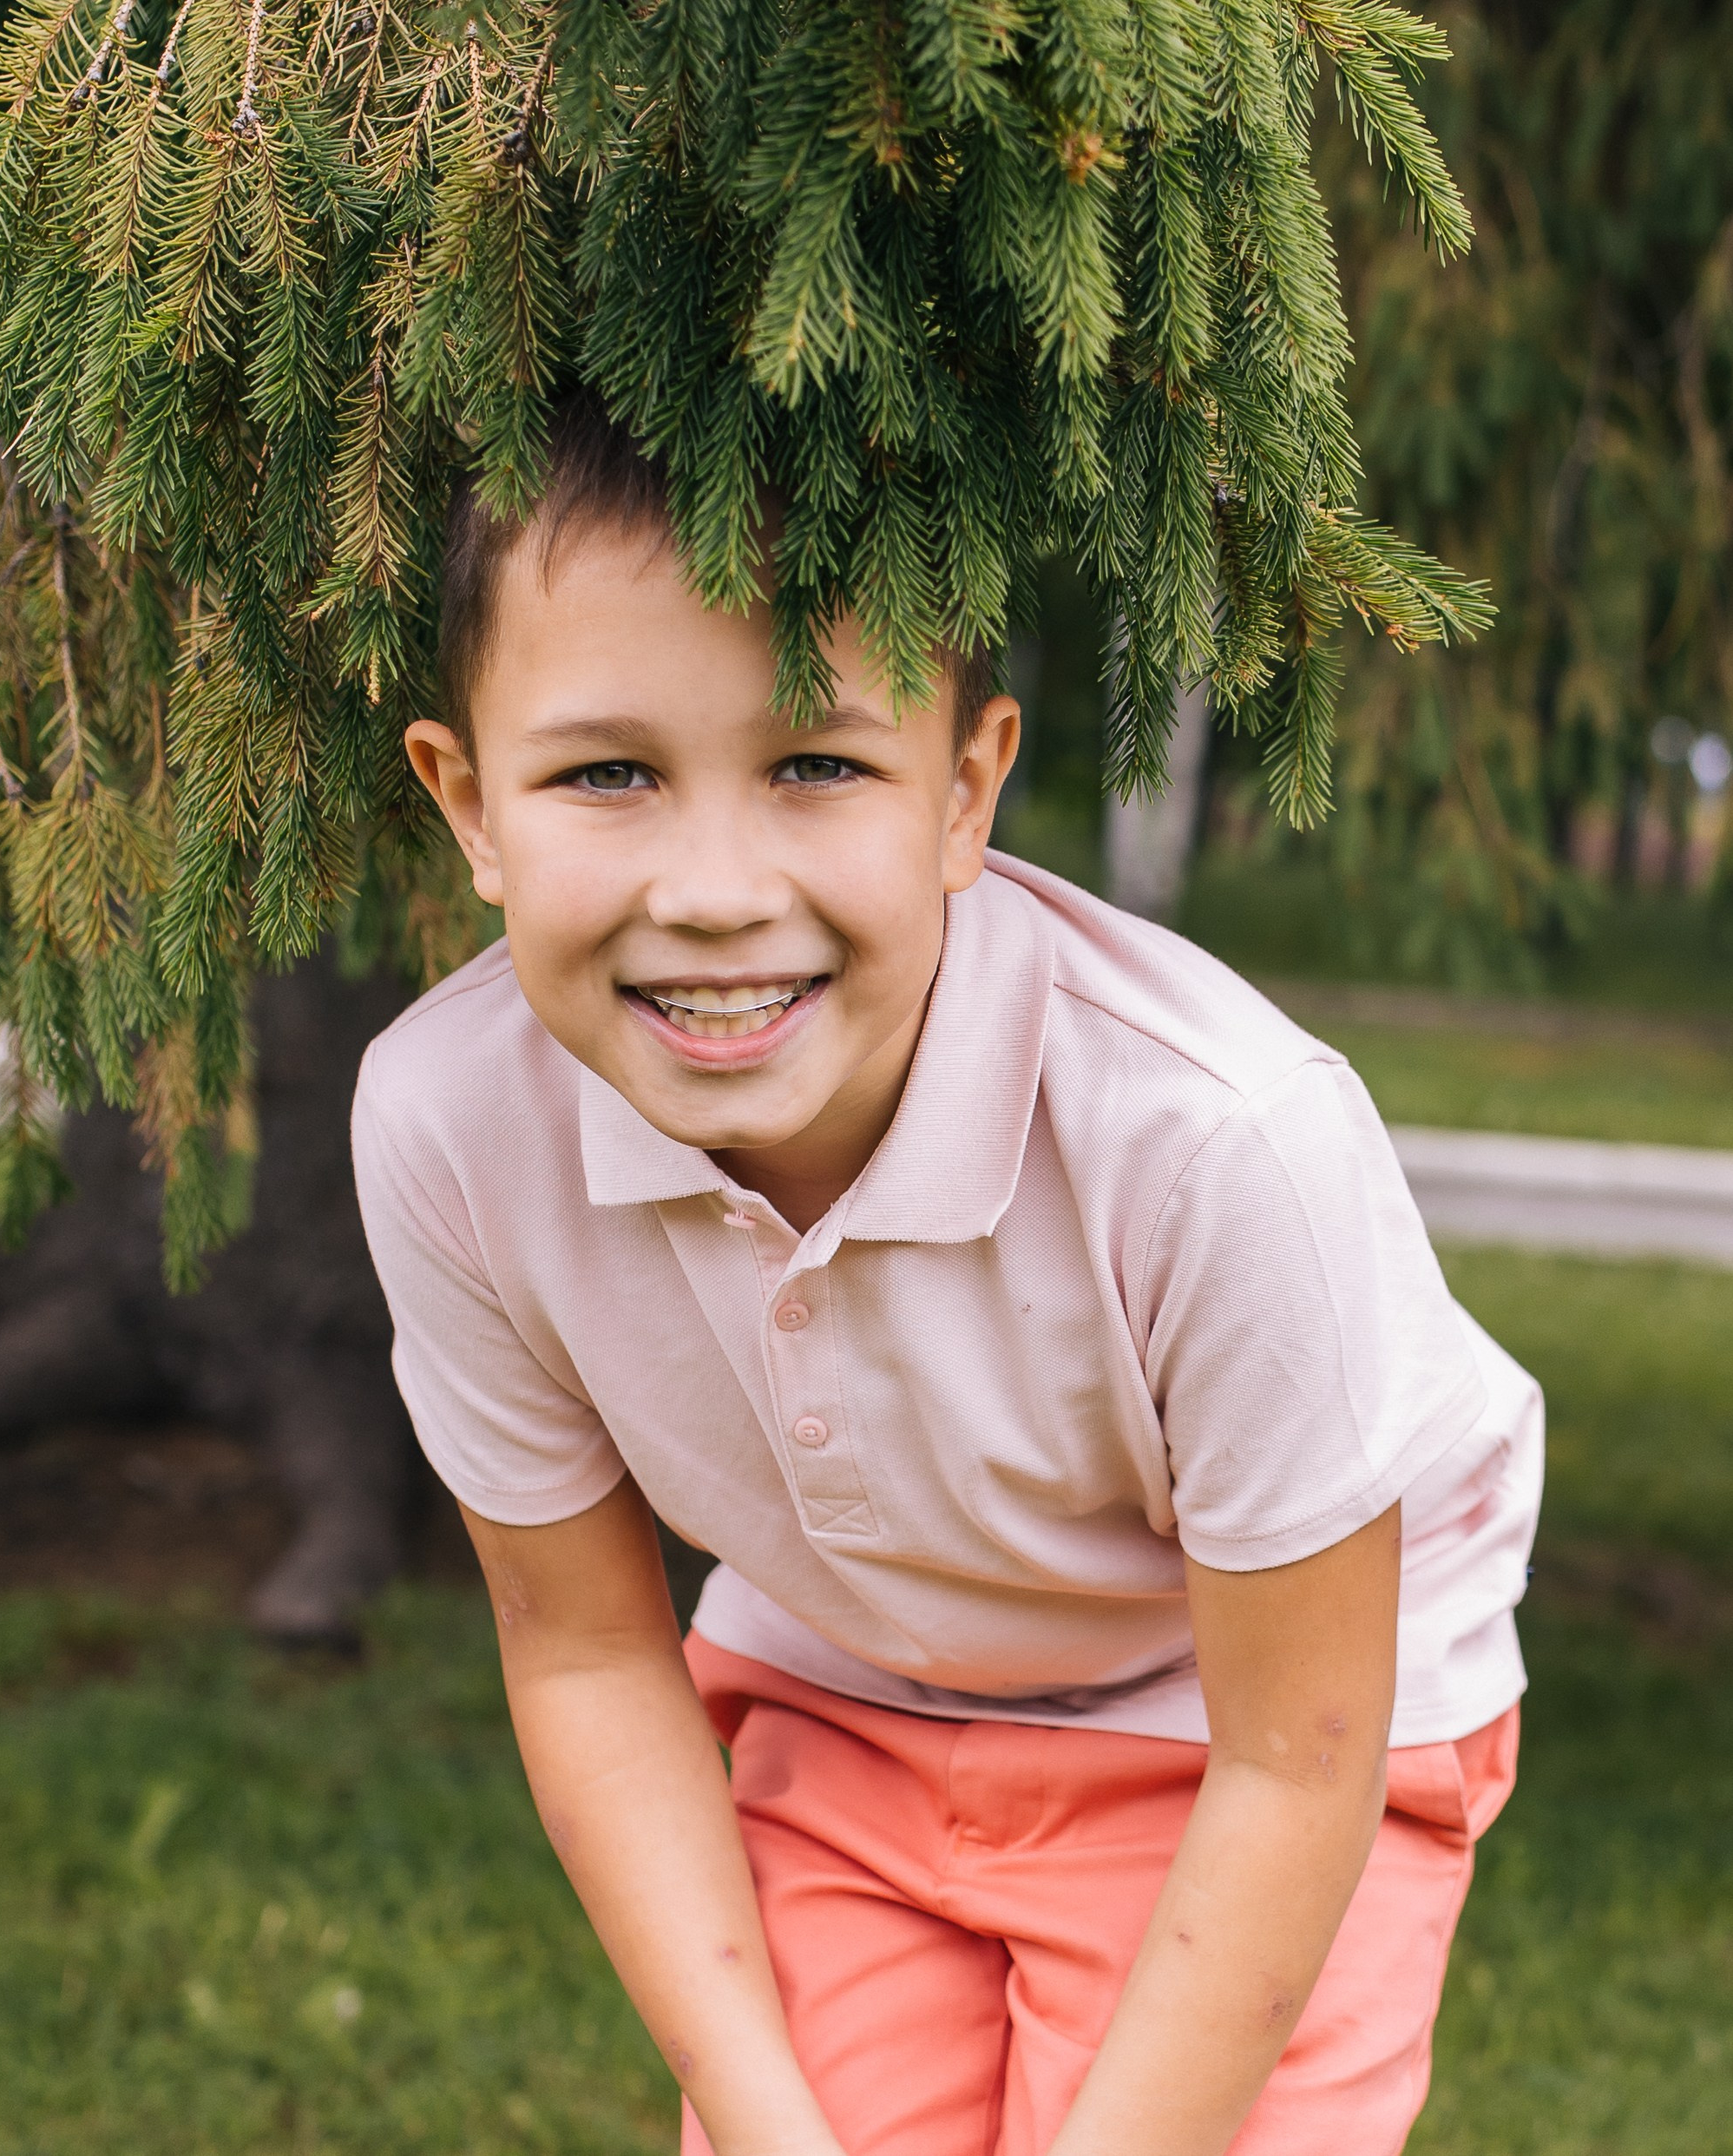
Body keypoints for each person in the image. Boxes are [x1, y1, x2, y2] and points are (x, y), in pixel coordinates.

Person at [352, 397, 1541, 2156]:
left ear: (964, 789)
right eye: (606, 771)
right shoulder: (449, 1122)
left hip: (1249, 1718)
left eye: (817, 763)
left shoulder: (1214, 1138)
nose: (710, 890)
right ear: (470, 803)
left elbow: (1299, 1750)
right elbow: (590, 1649)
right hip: (848, 1681)